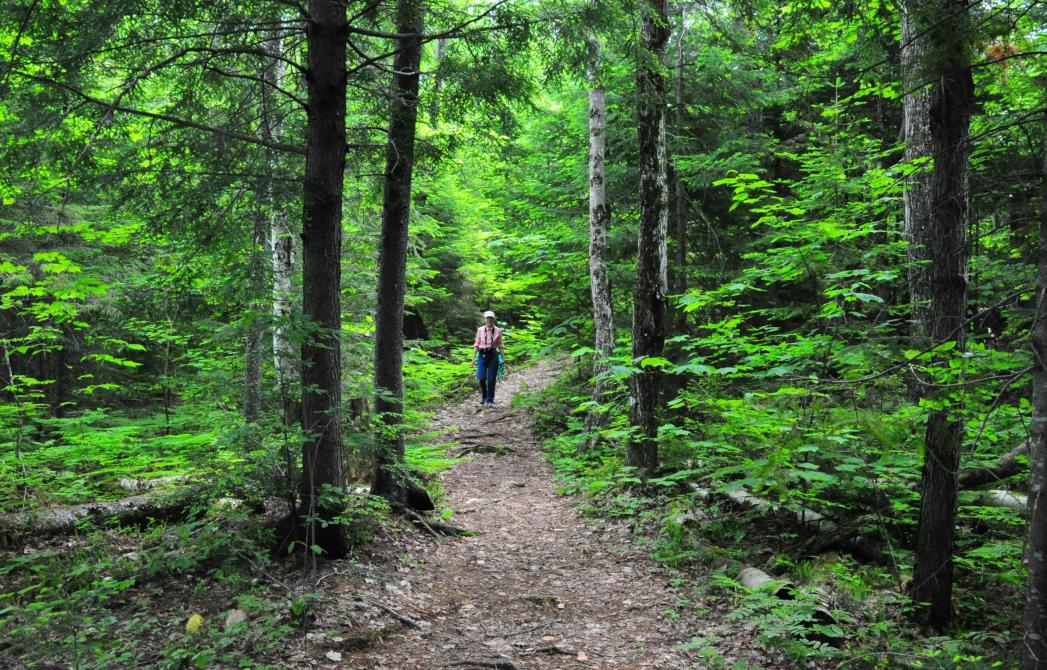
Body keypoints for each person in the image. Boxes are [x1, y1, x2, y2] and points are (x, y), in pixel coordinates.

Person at [473, 310, 504, 408]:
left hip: (493, 355)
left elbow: (500, 345)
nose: (489, 319)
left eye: (491, 318)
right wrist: (473, 358)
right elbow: (477, 344)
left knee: (491, 379)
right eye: (487, 318)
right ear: (485, 319)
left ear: (493, 319)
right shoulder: (480, 330)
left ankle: (490, 400)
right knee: (481, 377)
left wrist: (503, 357)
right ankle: (484, 395)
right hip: (482, 355)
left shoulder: (498, 330)